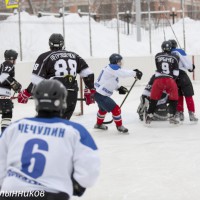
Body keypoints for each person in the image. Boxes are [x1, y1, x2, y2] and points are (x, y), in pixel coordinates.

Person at [0, 79, 100, 200]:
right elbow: (89, 175)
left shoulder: (14, 128)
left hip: (11, 193)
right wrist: (76, 185)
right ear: (62, 100)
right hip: (52, 194)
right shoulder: (76, 131)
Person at [17, 33, 95, 120]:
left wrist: (26, 93)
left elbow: (37, 80)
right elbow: (88, 74)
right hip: (72, 94)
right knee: (63, 123)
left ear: (50, 43)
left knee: (49, 123)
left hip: (53, 94)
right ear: (62, 43)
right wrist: (89, 90)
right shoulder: (74, 56)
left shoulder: (45, 57)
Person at [93, 53, 143, 133]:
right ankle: (119, 126)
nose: (121, 63)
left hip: (98, 93)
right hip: (100, 94)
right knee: (116, 109)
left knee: (103, 110)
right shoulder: (113, 69)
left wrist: (118, 88)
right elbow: (123, 74)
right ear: (115, 61)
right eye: (119, 61)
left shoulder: (110, 69)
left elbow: (109, 82)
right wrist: (135, 73)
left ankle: (98, 124)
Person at [145, 41, 180, 124]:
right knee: (174, 98)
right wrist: (172, 79)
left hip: (158, 80)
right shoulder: (175, 57)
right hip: (170, 80)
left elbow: (158, 67)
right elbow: (176, 73)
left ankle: (149, 116)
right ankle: (172, 116)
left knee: (154, 99)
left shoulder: (157, 55)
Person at [169, 39, 198, 122]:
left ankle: (180, 113)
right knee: (188, 94)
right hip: (182, 75)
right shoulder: (179, 51)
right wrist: (191, 67)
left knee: (178, 95)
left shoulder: (166, 53)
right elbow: (188, 65)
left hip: (172, 76)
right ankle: (191, 114)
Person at [0, 49, 21, 133]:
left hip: (2, 95)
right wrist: (14, 84)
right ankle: (4, 137)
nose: (15, 60)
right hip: (2, 95)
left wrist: (13, 83)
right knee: (7, 115)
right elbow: (4, 77)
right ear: (12, 58)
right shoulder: (8, 64)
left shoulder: (3, 65)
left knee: (6, 115)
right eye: (15, 58)